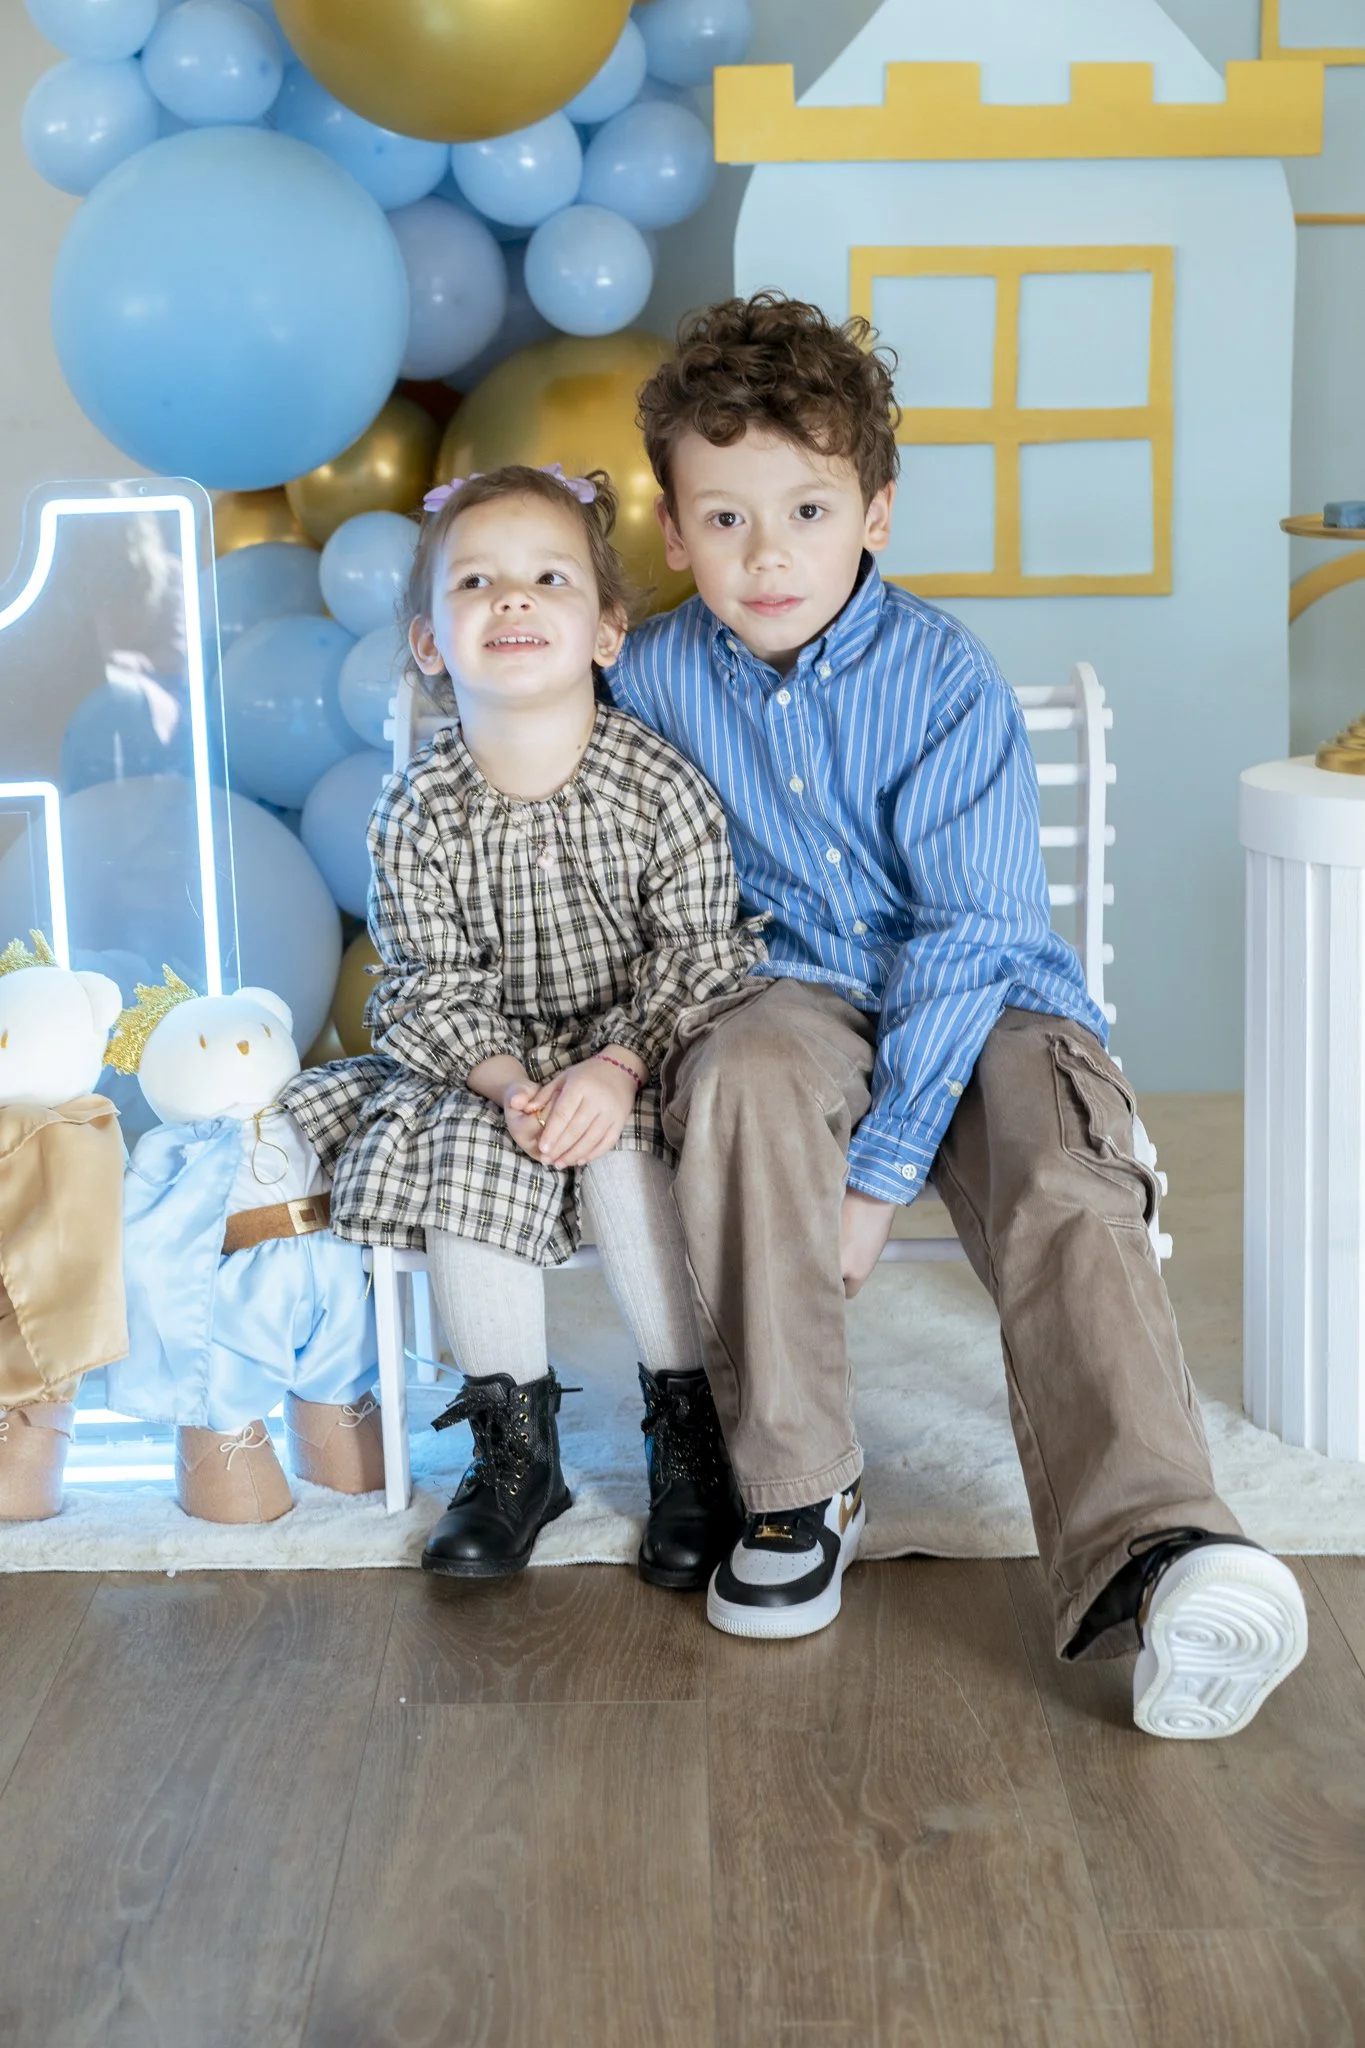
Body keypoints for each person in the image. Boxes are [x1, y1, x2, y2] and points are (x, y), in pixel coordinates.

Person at [602, 292, 1307, 1740]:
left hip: (980, 997)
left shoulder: (937, 677)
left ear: (874, 512)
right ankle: (798, 1491)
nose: (767, 552)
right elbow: (551, 745)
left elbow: (974, 930)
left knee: (1058, 1173)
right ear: (671, 533)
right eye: (723, 520)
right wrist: (479, 646)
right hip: (789, 995)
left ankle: (1163, 1548)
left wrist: (874, 1180)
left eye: (806, 507)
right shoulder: (655, 675)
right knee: (732, 1076)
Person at [282, 463, 761, 1585]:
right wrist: (505, 1082)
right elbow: (423, 980)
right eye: (477, 582)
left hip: (632, 1046)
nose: (513, 600)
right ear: (429, 643)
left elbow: (700, 950)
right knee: (462, 1146)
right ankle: (514, 1449)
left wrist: (614, 1065)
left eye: (549, 577)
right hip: (487, 1061)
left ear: (605, 631)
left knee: (626, 1147)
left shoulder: (658, 783)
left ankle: (688, 1434)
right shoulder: (420, 809)